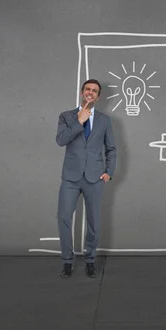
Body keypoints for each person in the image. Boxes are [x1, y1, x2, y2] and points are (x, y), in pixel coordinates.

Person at [55, 79, 117, 279]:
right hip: (71, 178)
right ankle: (67, 261)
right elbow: (61, 140)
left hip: (94, 178)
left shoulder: (104, 120)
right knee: (64, 217)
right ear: (82, 93)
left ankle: (90, 260)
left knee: (94, 222)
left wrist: (109, 172)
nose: (91, 93)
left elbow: (111, 148)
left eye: (95, 91)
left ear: (98, 97)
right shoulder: (66, 117)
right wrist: (79, 120)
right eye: (88, 89)